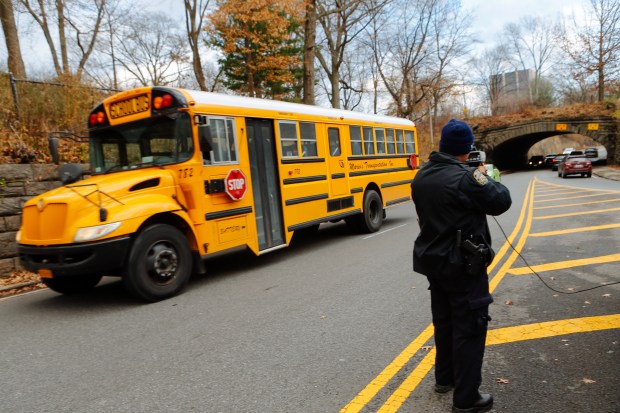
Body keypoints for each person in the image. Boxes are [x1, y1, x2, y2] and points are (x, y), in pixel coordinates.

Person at [410, 119, 512, 413]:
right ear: (467, 150)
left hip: (434, 262)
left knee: (444, 322)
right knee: (470, 327)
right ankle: (467, 398)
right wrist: (484, 176)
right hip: (464, 264)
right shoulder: (466, 178)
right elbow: (500, 201)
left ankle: (445, 378)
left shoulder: (422, 176)